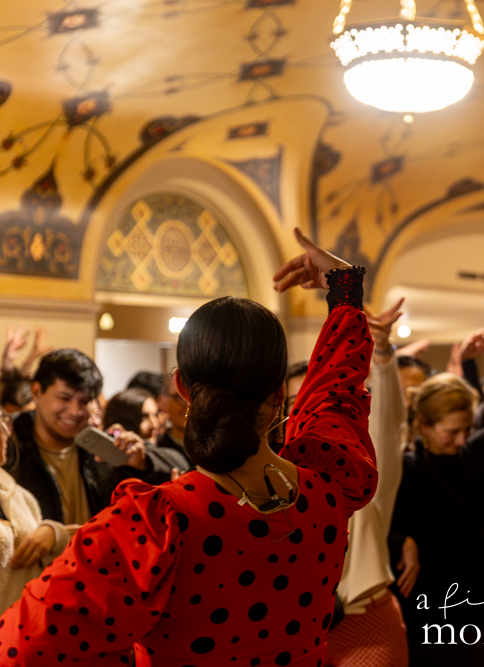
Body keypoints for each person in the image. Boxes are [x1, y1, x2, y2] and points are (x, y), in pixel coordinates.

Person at [0, 226, 378, 664]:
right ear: (279, 394)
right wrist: (345, 291)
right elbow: (337, 390)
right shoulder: (328, 486)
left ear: (181, 386)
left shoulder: (157, 525)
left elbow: (24, 645)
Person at [390, 336, 484, 666]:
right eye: (451, 432)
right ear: (424, 423)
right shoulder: (404, 469)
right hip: (430, 610)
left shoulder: (472, 455)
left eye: (467, 429)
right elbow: (377, 525)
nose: (462, 439)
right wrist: (400, 541)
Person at [326, 298, 409, 667]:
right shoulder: (272, 475)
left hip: (363, 623)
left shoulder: (360, 474)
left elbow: (388, 431)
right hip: (294, 628)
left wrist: (383, 357)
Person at [5, 349, 176, 523]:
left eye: (84, 401)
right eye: (64, 398)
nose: (75, 411)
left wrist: (141, 463)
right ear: (36, 392)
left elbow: (178, 467)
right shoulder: (8, 446)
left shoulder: (98, 450)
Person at [0, 405, 72, 611]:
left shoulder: (20, 496)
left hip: (23, 630)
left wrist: (54, 533)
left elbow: (40, 564)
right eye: (2, 421)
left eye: (7, 421)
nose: (7, 430)